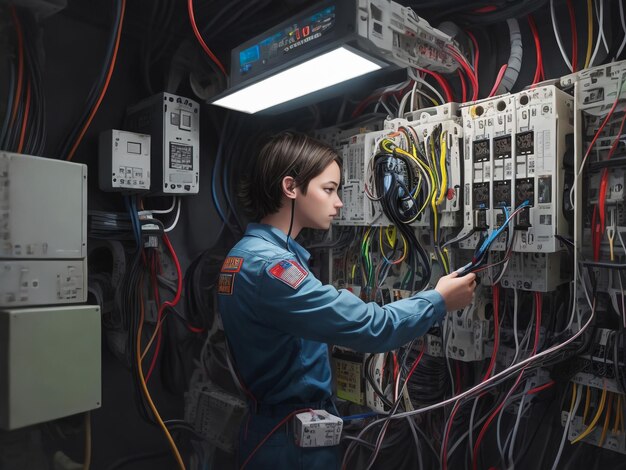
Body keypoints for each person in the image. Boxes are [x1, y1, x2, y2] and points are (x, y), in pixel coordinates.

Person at [217, 131, 476, 469]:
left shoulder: (243, 256)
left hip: (270, 430)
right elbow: (373, 327)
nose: (339, 202)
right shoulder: (271, 269)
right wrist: (439, 300)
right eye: (329, 189)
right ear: (291, 187)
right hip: (290, 445)